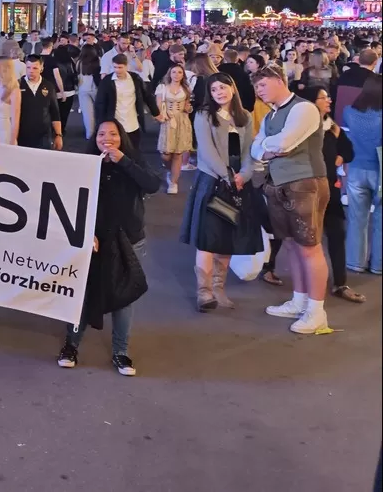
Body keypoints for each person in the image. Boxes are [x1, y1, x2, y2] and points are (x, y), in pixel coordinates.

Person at [56, 120, 157, 377]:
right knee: (83, 293)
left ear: (122, 138)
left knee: (125, 298)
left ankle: (121, 352)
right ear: (95, 138)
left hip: (130, 240)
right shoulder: (87, 165)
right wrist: (86, 234)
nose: (107, 138)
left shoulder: (133, 163)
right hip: (95, 241)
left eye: (113, 134)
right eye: (101, 134)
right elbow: (73, 203)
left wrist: (123, 160)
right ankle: (71, 345)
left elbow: (152, 185)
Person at [251, 65, 331, 334]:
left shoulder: (303, 108)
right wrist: (270, 149)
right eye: (256, 87)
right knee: (293, 245)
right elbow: (257, 148)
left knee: (310, 247)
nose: (259, 91)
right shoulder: (271, 115)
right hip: (280, 185)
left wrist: (269, 148)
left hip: (306, 183)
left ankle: (317, 311)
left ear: (277, 80)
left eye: (262, 85)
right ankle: (299, 301)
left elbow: (283, 144)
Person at [179, 74, 258, 311]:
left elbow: (249, 151)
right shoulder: (204, 116)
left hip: (239, 184)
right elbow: (206, 150)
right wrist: (226, 175)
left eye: (223, 88)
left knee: (227, 238)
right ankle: (204, 292)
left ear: (232, 88)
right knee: (207, 238)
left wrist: (244, 175)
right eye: (214, 90)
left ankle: (219, 288)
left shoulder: (245, 117)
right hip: (212, 181)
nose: (219, 93)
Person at [298, 86, 364, 303]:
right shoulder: (304, 128)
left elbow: (349, 152)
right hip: (306, 190)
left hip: (330, 192)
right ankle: (276, 271)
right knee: (298, 239)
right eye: (324, 98)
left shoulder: (333, 127)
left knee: (336, 234)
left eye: (328, 97)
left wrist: (340, 156)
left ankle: (340, 283)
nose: (329, 101)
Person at [342, 73, 382, 278]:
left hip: (356, 168)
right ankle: (378, 265)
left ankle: (355, 262)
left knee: (357, 218)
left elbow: (346, 139)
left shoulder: (349, 111)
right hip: (380, 170)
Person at [95, 53, 163, 150]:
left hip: (132, 121)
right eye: (115, 67)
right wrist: (100, 122)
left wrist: (156, 112)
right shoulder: (107, 81)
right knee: (115, 149)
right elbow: (100, 103)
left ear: (127, 66)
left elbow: (147, 96)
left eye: (120, 67)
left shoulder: (135, 78)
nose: (117, 70)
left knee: (133, 150)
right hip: (114, 120)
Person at [155, 64, 194, 195]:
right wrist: (162, 116)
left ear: (183, 75)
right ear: (169, 74)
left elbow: (188, 106)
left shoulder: (186, 88)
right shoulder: (162, 88)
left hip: (182, 121)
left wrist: (189, 108)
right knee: (165, 155)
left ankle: (173, 182)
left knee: (178, 153)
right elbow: (158, 105)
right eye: (174, 72)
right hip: (168, 121)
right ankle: (169, 170)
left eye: (179, 72)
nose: (176, 75)